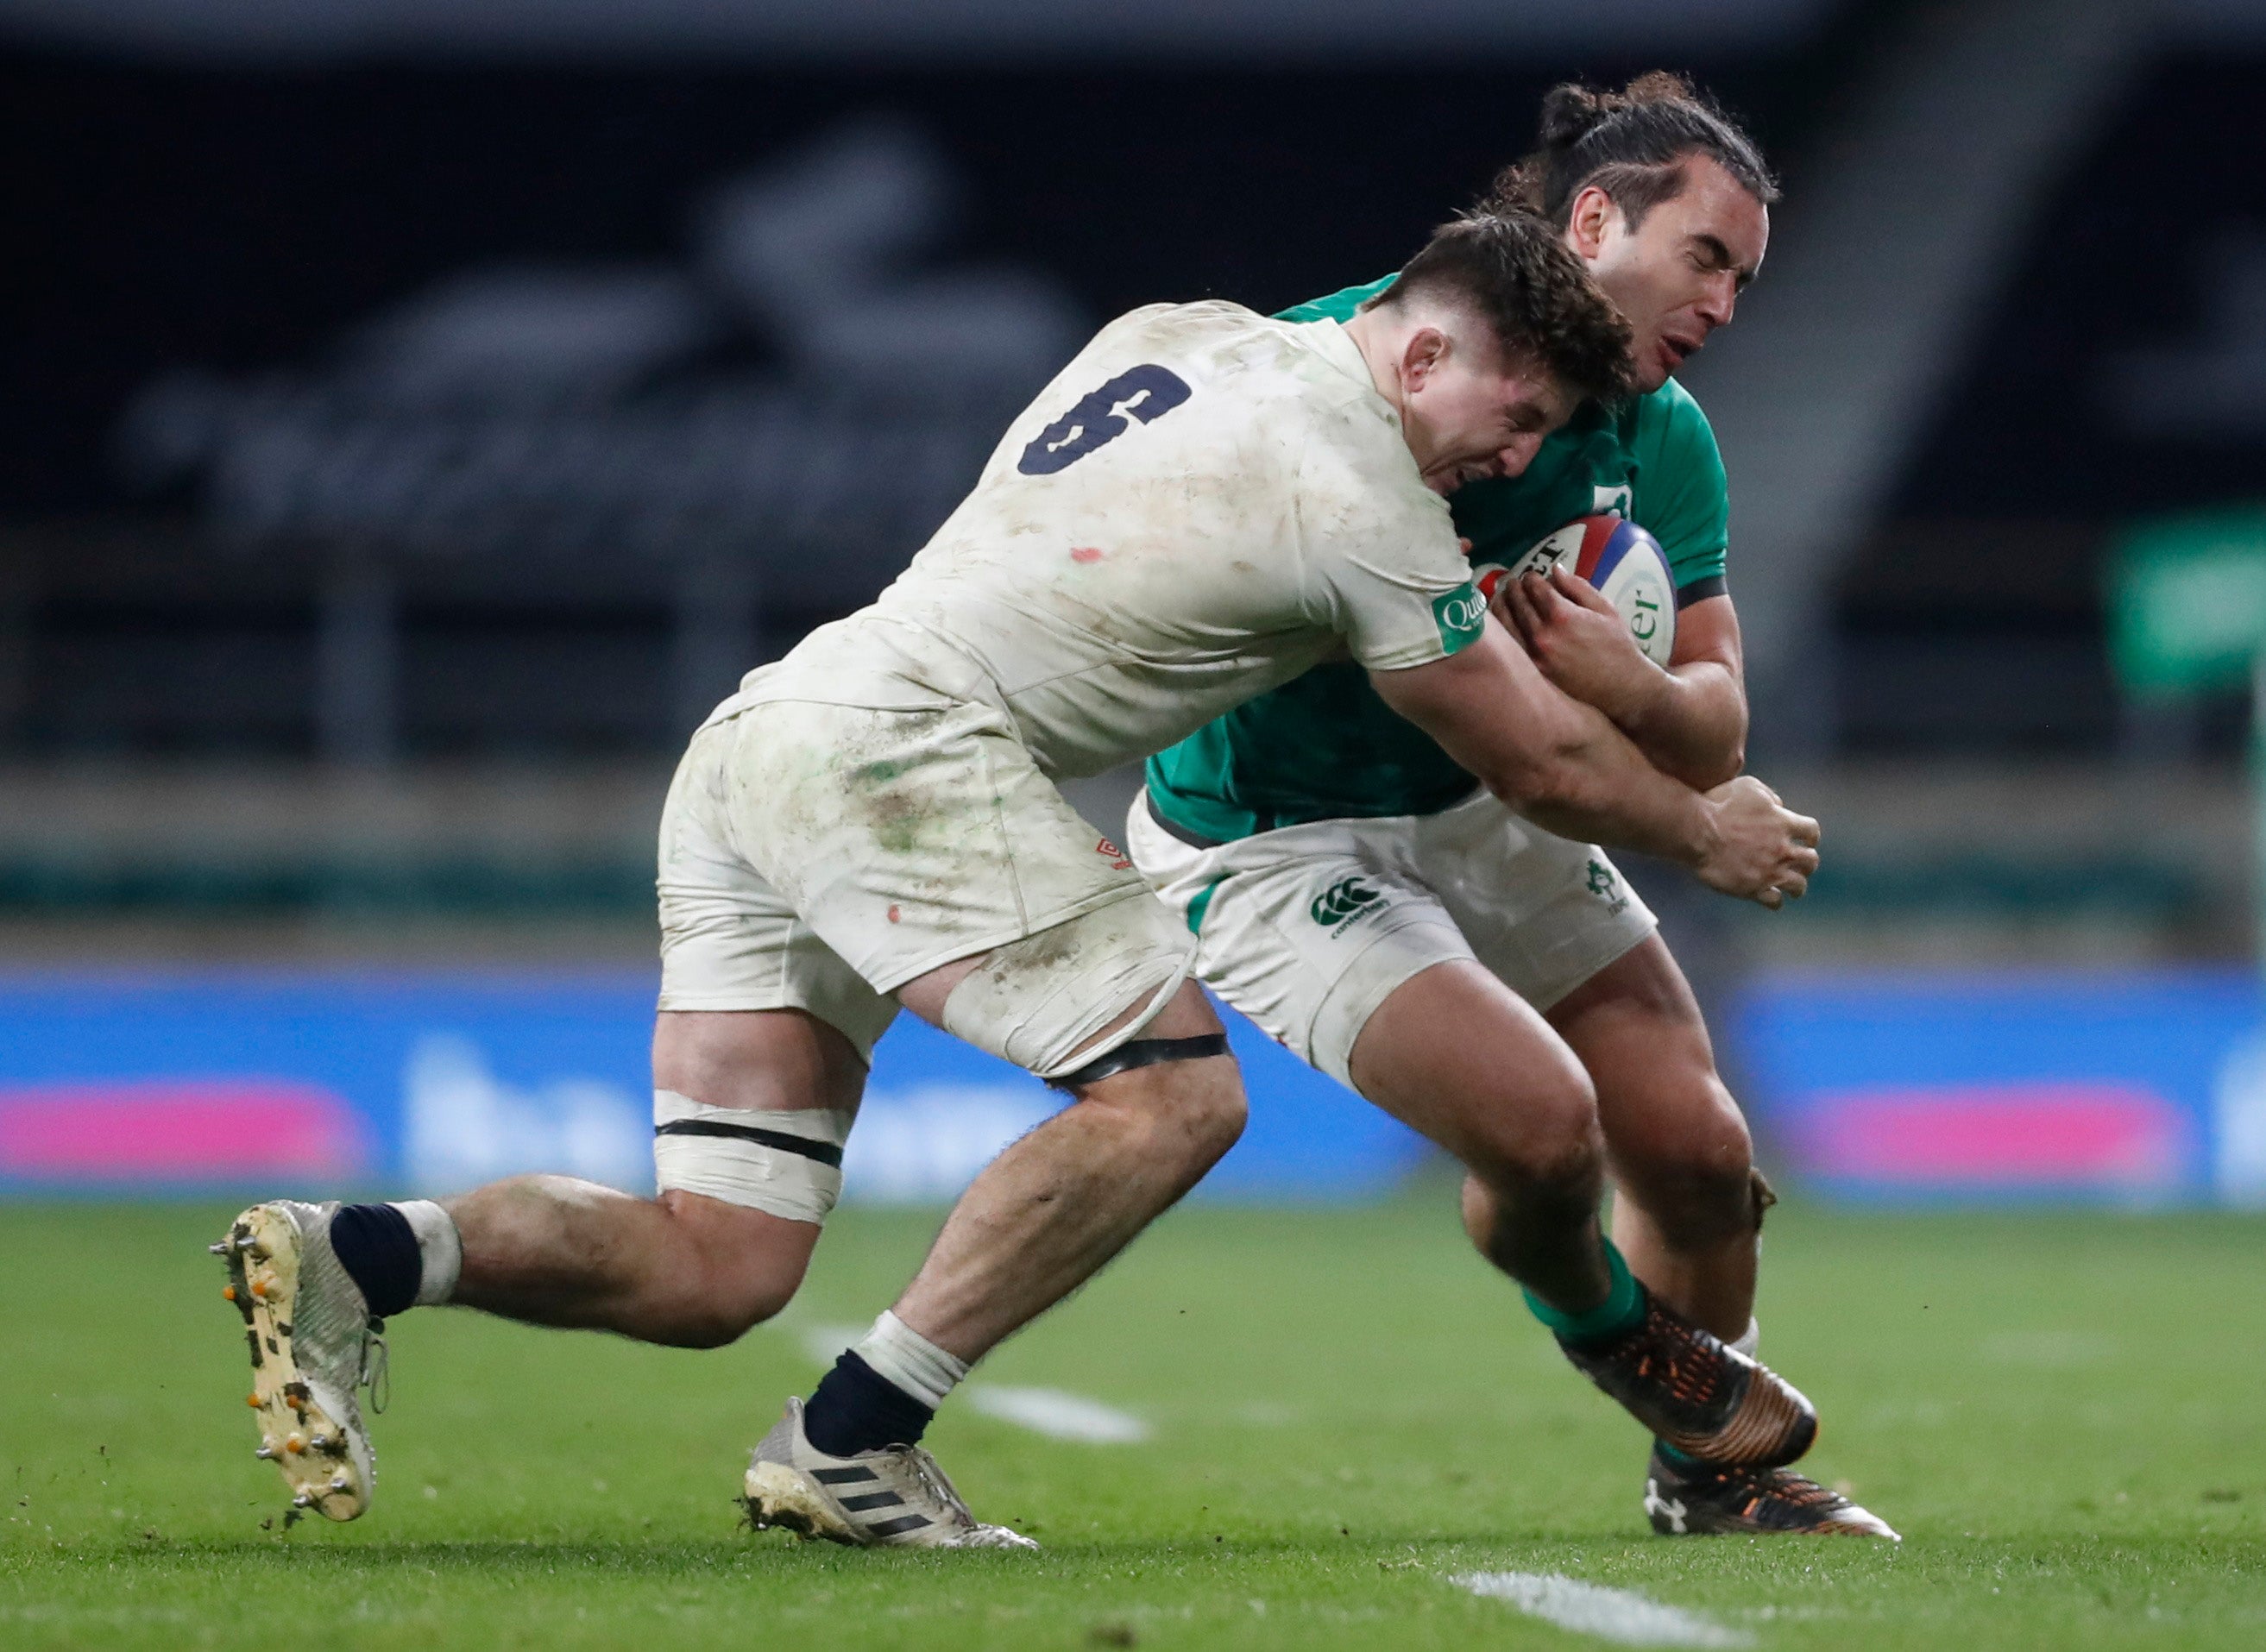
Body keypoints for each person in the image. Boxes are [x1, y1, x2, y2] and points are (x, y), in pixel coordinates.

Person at [211, 209, 1820, 1548]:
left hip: (765, 737)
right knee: (1177, 1098)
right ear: (1418, 356)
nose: (1514, 461)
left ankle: (359, 1253)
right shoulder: (1359, 495)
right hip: (897, 764)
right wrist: (1704, 831)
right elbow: (1535, 766)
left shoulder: (1177, 329)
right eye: (1513, 420)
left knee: (717, 1260)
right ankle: (852, 1441)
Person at [1129, 73, 1899, 1540]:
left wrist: (1632, 679)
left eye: (1744, 276)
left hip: (1486, 806)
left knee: (1694, 1153)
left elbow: (1711, 720)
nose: (1725, 304)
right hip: (1274, 831)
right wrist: (1684, 808)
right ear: (1597, 216)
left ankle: (1709, 1481)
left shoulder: (1657, 434)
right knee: (1541, 1138)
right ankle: (1633, 1346)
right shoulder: (1342, 369)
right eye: (1708, 259)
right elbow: (1623, 774)